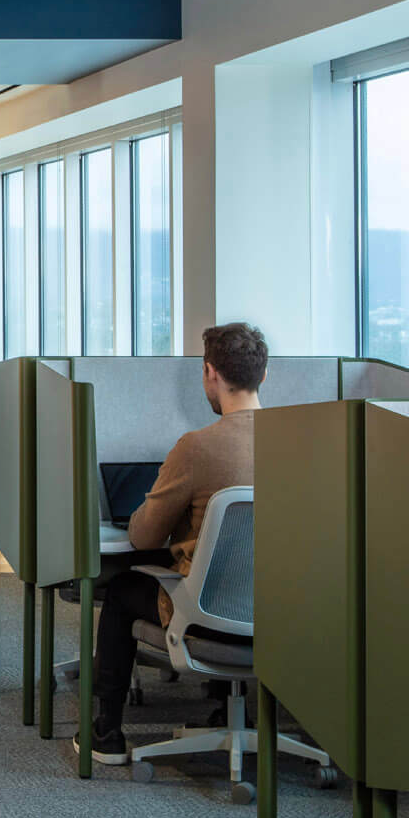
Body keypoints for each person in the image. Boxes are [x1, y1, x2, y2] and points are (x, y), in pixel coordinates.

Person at [77, 323, 269, 767]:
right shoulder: (308, 443)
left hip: (212, 615)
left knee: (124, 590)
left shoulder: (197, 447)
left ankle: (105, 732)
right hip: (285, 612)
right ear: (265, 374)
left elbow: (143, 536)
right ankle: (228, 708)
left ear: (210, 373)